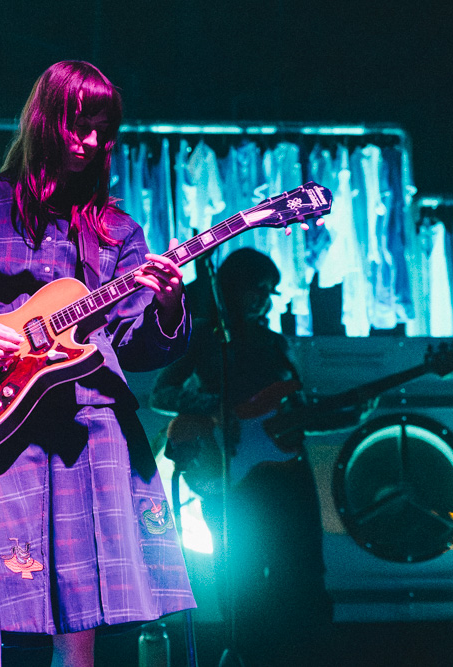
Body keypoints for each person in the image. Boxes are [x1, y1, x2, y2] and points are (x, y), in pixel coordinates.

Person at [0, 61, 196, 667]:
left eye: (103, 132)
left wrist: (168, 304)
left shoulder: (117, 232)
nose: (90, 143)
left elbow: (134, 345)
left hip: (91, 431)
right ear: (44, 120)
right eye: (79, 126)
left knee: (81, 617)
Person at [150, 248, 373, 666]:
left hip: (288, 475)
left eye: (270, 293)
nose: (266, 301)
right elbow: (162, 393)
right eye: (258, 291)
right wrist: (214, 408)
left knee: (303, 573)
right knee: (239, 577)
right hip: (230, 475)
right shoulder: (204, 339)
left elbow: (292, 419)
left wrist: (349, 413)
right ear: (231, 289)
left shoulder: (275, 344)